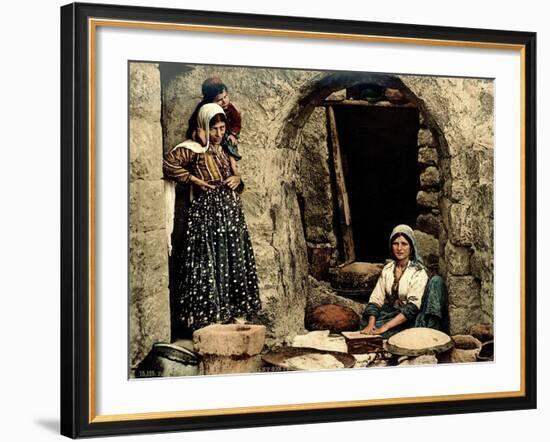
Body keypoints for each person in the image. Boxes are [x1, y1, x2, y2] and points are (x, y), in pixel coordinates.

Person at [163, 103, 261, 331]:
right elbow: (168, 165)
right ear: (202, 127)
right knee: (210, 261)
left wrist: (238, 179)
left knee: (232, 260)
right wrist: (194, 180)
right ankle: (211, 318)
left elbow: (236, 177)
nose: (218, 133)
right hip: (207, 215)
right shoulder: (193, 149)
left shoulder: (226, 147)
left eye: (222, 127)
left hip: (231, 213)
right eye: (213, 128)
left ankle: (235, 313)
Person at [360, 224, 449, 339]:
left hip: (412, 316)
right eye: (395, 243)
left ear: (411, 248)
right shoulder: (388, 269)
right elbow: (376, 299)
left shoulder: (418, 271)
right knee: (365, 322)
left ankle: (415, 332)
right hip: (395, 314)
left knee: (410, 329)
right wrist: (371, 325)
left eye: (404, 244)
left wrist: (385, 327)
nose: (399, 248)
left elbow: (412, 308)